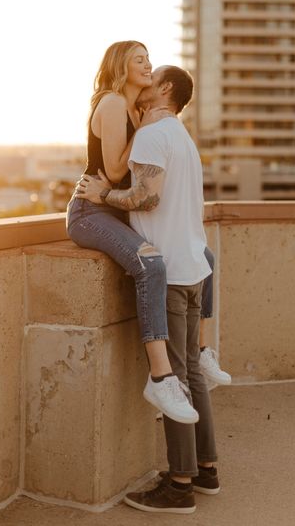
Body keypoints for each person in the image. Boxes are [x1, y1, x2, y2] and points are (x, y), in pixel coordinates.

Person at [77, 65, 219, 514]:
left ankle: (179, 485)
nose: (144, 82)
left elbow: (147, 197)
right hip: (194, 265)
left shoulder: (154, 134)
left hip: (173, 273)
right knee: (193, 372)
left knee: (174, 378)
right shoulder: (184, 138)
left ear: (165, 90)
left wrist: (103, 197)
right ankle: (207, 469)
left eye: (151, 76)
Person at [67, 42, 229, 422]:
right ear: (121, 64)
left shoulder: (137, 112)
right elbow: (112, 171)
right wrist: (146, 127)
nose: (148, 65)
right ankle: (160, 377)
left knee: (203, 255)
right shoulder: (110, 103)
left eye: (149, 60)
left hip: (114, 211)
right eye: (139, 59)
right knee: (151, 264)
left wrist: (144, 123)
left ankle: (202, 352)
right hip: (91, 211)